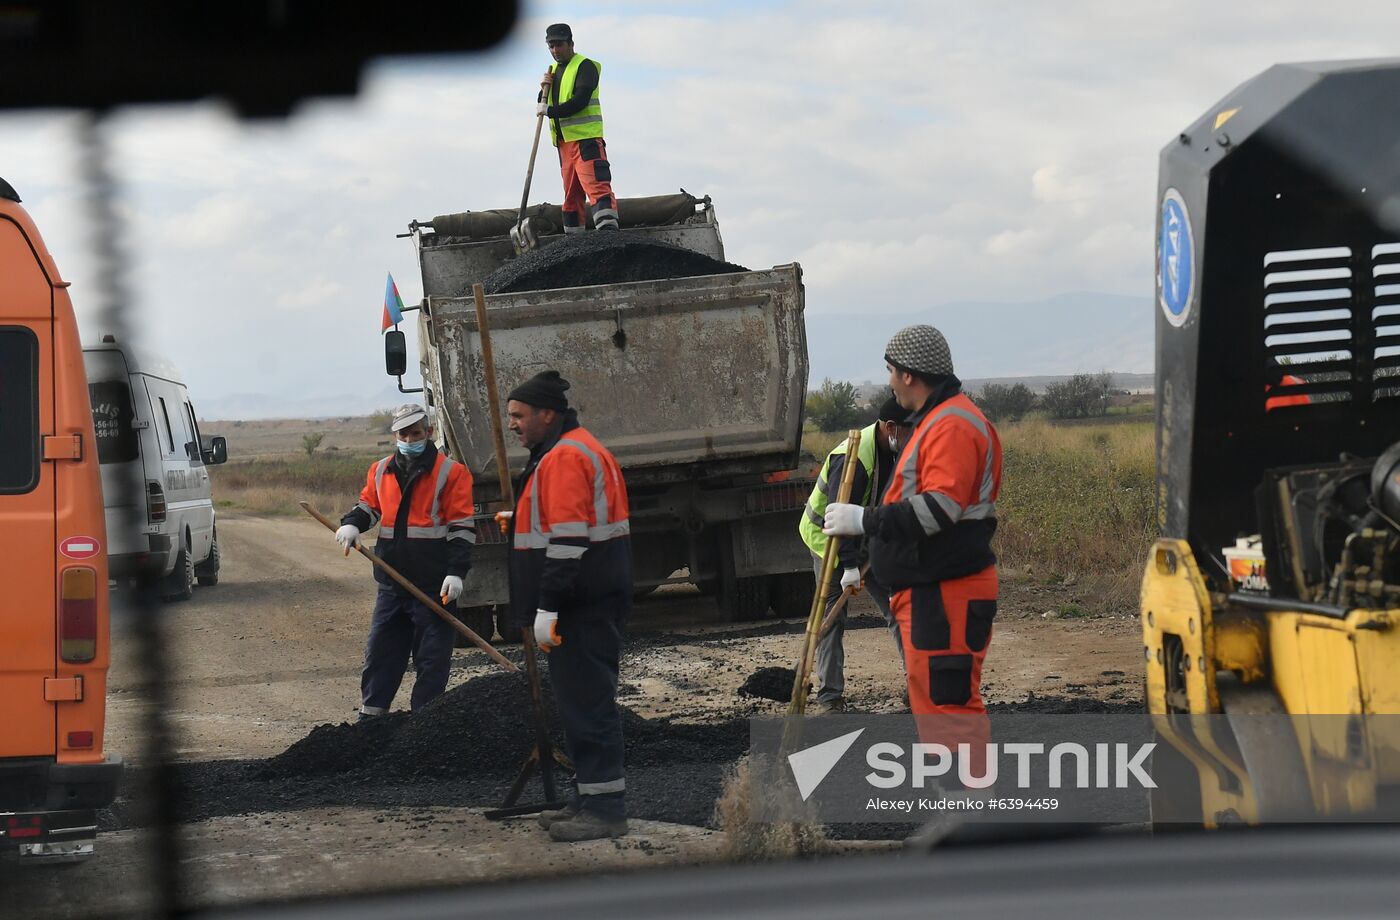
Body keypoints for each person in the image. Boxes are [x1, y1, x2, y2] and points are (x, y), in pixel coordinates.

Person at [822, 326, 1002, 772]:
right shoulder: (940, 421)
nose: (887, 381)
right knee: (935, 708)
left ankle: (971, 824)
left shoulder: (952, 425)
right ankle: (957, 819)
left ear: (907, 374)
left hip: (947, 592)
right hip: (932, 590)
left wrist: (866, 520)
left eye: (889, 371)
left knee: (950, 708)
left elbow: (939, 509)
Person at [500, 370, 632, 842]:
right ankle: (589, 798)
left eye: (518, 416)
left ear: (546, 414)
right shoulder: (571, 450)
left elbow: (568, 541)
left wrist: (548, 606)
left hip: (581, 605)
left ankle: (606, 811)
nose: (512, 424)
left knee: (589, 706)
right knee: (580, 705)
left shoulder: (565, 458)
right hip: (589, 600)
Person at [335, 404, 476, 719]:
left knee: (431, 660)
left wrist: (456, 572)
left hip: (433, 585)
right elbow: (369, 506)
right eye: (403, 433)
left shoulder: (452, 473)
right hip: (392, 582)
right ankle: (371, 721)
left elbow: (461, 528)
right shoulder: (381, 469)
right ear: (395, 435)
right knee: (381, 655)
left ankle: (423, 728)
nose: (409, 438)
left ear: (428, 433)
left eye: (416, 433)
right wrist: (353, 523)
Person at [797, 396, 912, 713]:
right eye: (909, 431)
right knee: (833, 613)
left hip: (867, 536)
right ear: (890, 428)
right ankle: (830, 696)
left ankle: (920, 685)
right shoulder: (854, 458)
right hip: (828, 538)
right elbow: (837, 514)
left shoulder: (896, 452)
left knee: (899, 606)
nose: (914, 439)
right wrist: (848, 566)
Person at [538, 23, 619, 233]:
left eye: (559, 45)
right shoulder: (553, 72)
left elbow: (580, 100)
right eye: (551, 46)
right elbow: (546, 105)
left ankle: (609, 235)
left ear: (571, 43)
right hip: (564, 145)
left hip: (586, 141)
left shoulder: (585, 66)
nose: (555, 50)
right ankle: (573, 242)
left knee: (597, 188)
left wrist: (549, 111)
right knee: (571, 196)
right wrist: (542, 92)